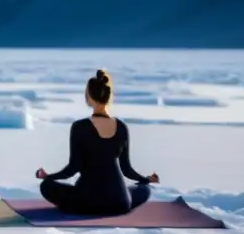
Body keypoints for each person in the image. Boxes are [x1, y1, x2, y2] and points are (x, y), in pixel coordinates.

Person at [36, 69, 159, 216]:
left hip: (87, 203)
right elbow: (126, 169)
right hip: (119, 203)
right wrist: (145, 179)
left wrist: (48, 177)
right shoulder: (121, 127)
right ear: (109, 97)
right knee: (144, 189)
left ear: (89, 97)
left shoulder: (79, 127)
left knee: (46, 187)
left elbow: (73, 168)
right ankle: (124, 193)